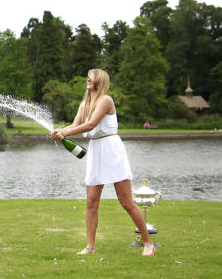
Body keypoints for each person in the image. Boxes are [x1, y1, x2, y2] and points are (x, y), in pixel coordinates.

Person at [51, 69, 156, 257]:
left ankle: (148, 243)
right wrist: (60, 131)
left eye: (92, 77)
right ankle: (90, 247)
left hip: (111, 149)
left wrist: (66, 133)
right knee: (91, 201)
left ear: (100, 81)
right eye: (88, 77)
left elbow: (91, 125)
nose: (88, 80)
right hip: (95, 150)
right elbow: (75, 125)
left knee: (126, 202)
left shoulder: (105, 100)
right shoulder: (85, 103)